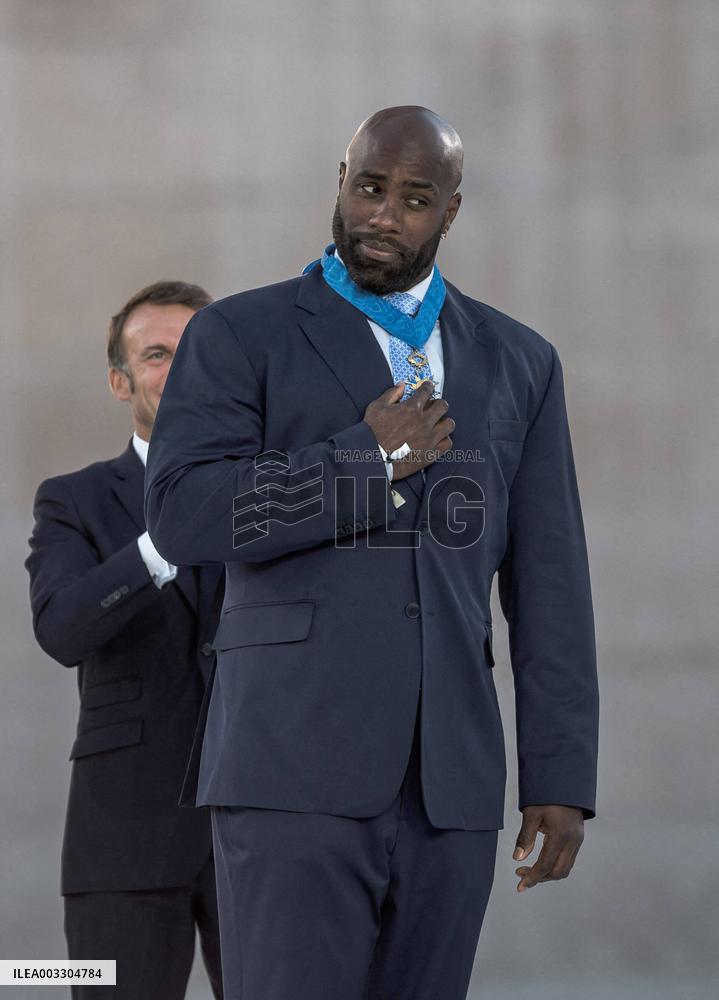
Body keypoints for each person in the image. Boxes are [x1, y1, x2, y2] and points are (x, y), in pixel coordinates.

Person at [144, 107, 600, 1000]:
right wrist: (365, 459)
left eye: (415, 198)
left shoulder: (520, 362)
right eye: (368, 187)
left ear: (452, 211)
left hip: (450, 788)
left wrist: (560, 773)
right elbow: (185, 516)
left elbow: (551, 583)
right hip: (288, 771)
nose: (383, 214)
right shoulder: (240, 336)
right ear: (341, 181)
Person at [25, 281, 225, 1000]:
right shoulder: (72, 499)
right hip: (124, 840)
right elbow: (62, 628)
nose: (180, 370)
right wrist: (158, 546)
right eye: (157, 355)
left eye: (198, 352)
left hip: (263, 833)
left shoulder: (276, 490)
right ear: (120, 380)